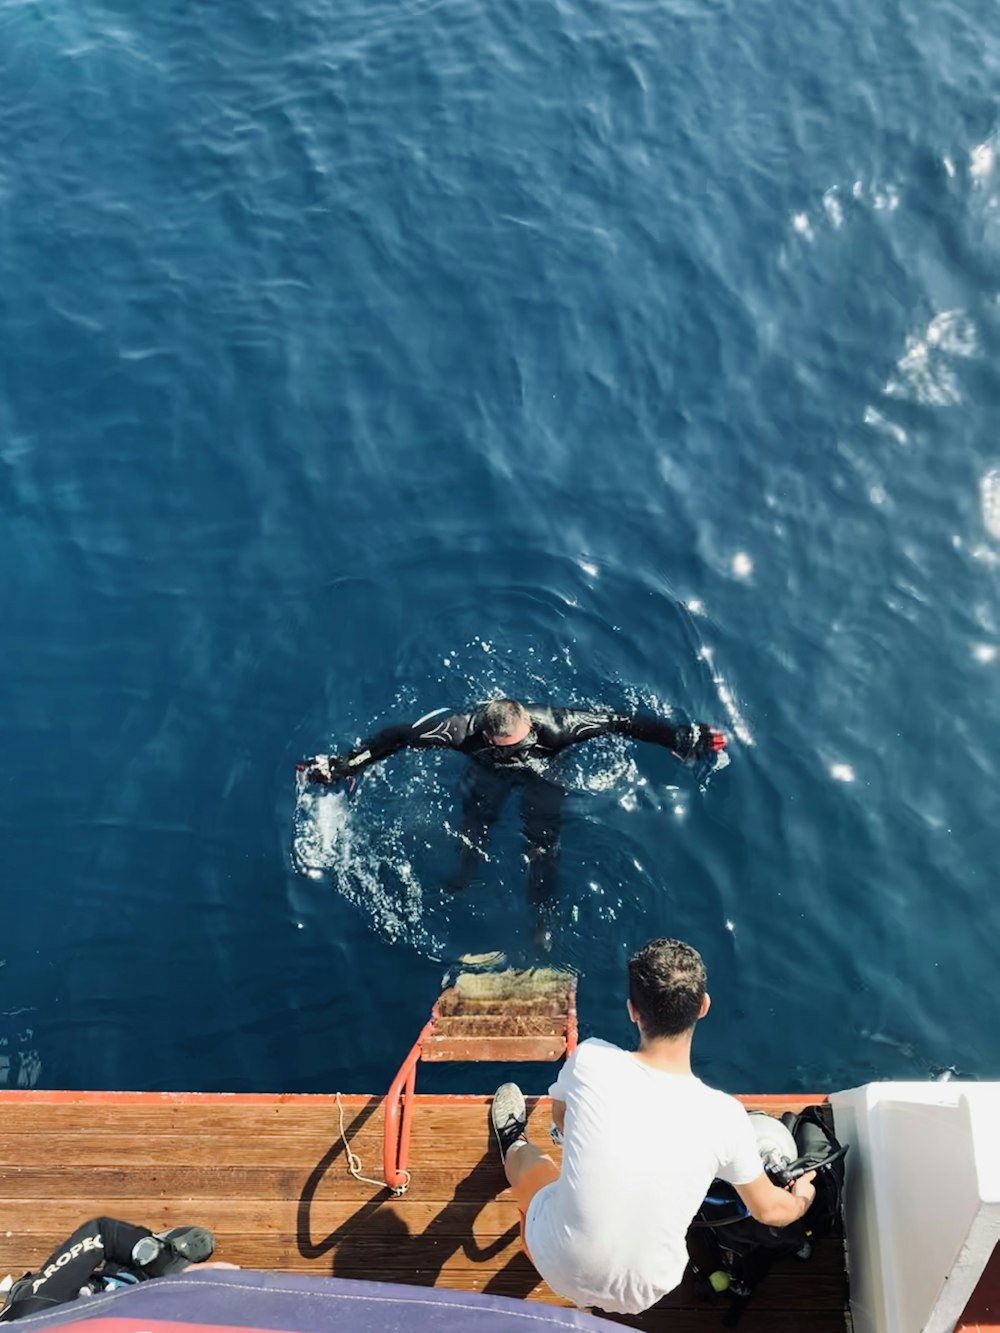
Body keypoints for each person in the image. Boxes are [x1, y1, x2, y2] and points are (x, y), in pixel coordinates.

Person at [489, 937, 816, 1315]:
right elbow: (770, 1211)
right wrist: (802, 1197)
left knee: (531, 1162)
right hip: (642, 1294)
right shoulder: (726, 1116)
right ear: (703, 1007)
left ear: (632, 1010)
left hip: (558, 1267)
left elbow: (561, 1119)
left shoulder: (591, 1060)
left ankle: (512, 1141)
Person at [301, 699, 725, 943]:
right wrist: (346, 764)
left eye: (526, 740)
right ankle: (465, 875)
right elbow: (398, 737)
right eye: (513, 745)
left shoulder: (558, 727)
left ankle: (542, 916)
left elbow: (624, 722)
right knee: (473, 831)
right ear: (487, 738)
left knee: (541, 848)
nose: (524, 747)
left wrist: (680, 738)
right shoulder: (459, 731)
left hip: (546, 778)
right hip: (488, 776)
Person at [0, 1219, 221, 1322]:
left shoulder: (35, 1311)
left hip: (44, 1309)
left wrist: (172, 1266)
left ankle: (135, 1269)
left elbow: (99, 1234)